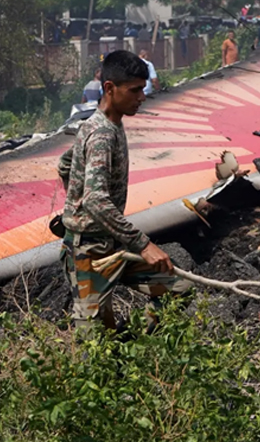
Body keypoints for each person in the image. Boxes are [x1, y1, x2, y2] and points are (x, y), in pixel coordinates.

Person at [57, 50, 191, 331]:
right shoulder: (101, 135)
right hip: (89, 252)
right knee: (92, 342)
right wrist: (144, 244)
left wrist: (73, 202)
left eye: (142, 89)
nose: (141, 97)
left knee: (178, 286)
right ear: (109, 88)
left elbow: (65, 164)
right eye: (134, 90)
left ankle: (129, 343)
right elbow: (95, 199)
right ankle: (116, 350)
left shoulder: (103, 125)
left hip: (114, 243)